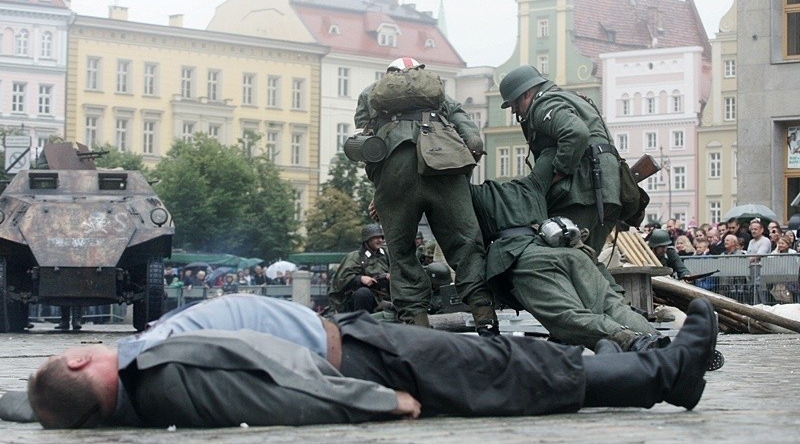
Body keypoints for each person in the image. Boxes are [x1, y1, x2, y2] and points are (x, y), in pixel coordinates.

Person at [22, 293, 719, 429]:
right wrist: (377, 402)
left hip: (352, 339)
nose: (72, 350)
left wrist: (27, 398)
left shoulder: (119, 378)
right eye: (67, 354)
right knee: (514, 373)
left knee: (505, 361)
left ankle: (646, 361)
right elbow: (277, 390)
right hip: (362, 363)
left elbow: (36, 402)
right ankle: (667, 375)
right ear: (83, 365)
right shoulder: (163, 376)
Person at [355, 57, 498, 334]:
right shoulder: (436, 92)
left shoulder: (371, 94)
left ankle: (417, 329)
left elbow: (365, 142)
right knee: (466, 245)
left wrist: (381, 189)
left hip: (396, 172)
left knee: (402, 254)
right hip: (443, 164)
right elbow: (468, 132)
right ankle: (486, 320)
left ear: (389, 77)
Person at [469, 164, 666, 352]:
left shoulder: (475, 195)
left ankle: (630, 341)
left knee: (568, 317)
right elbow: (566, 144)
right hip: (569, 251)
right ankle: (659, 342)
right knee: (611, 305)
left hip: (525, 259)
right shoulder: (533, 185)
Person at [498, 65, 624, 293]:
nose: (517, 112)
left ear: (527, 93)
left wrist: (560, 170)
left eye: (516, 104)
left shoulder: (543, 104)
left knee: (573, 259)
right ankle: (625, 314)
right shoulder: (572, 98)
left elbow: (575, 133)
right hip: (606, 190)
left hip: (583, 192)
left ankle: (620, 314)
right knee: (586, 260)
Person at [328, 224, 391, 313]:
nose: (380, 240)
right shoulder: (355, 256)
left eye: (381, 237)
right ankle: (361, 323)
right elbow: (340, 280)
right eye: (376, 238)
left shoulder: (387, 255)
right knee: (363, 293)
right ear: (367, 239)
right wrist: (360, 279)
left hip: (387, 294)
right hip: (365, 297)